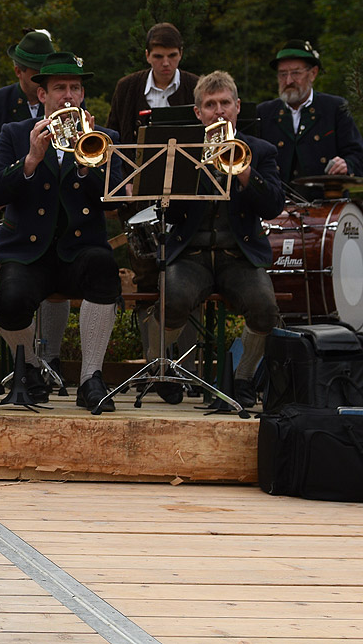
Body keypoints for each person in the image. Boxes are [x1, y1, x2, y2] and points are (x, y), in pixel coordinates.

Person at [0, 52, 123, 414]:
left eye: (75, 88)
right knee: (10, 300)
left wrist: (84, 163)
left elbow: (115, 201)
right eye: (59, 88)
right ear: (41, 94)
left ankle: (91, 378)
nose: (68, 96)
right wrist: (29, 160)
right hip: (28, 251)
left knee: (105, 268)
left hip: (79, 250)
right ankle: (29, 369)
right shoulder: (14, 134)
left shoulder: (104, 138)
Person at [151, 71, 284, 409]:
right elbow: (167, 210)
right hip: (190, 253)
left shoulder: (260, 151)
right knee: (172, 301)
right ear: (198, 113)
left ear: (237, 107)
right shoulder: (180, 151)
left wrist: (245, 174)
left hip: (238, 254)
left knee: (265, 309)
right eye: (210, 105)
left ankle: (241, 378)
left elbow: (272, 206)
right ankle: (164, 370)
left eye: (225, 103)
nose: (219, 111)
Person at [0, 30, 70, 391]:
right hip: (10, 207)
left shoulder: (70, 106)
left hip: (57, 211)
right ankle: (33, 365)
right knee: (18, 283)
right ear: (19, 72)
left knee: (59, 275)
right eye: (33, 71)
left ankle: (51, 357)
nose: (42, 77)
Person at [105, 22, 201, 396]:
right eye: (158, 57)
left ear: (181, 55)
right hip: (140, 197)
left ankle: (186, 366)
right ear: (147, 55)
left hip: (185, 198)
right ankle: (152, 363)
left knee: (187, 276)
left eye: (172, 57)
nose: (165, 63)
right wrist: (124, 178)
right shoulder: (128, 88)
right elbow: (114, 137)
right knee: (146, 278)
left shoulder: (194, 86)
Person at [256, 39, 363, 185]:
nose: (288, 81)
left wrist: (346, 164)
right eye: (282, 74)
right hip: (278, 203)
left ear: (313, 73)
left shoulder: (335, 108)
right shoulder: (264, 113)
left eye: (295, 73)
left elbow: (357, 154)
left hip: (326, 200)